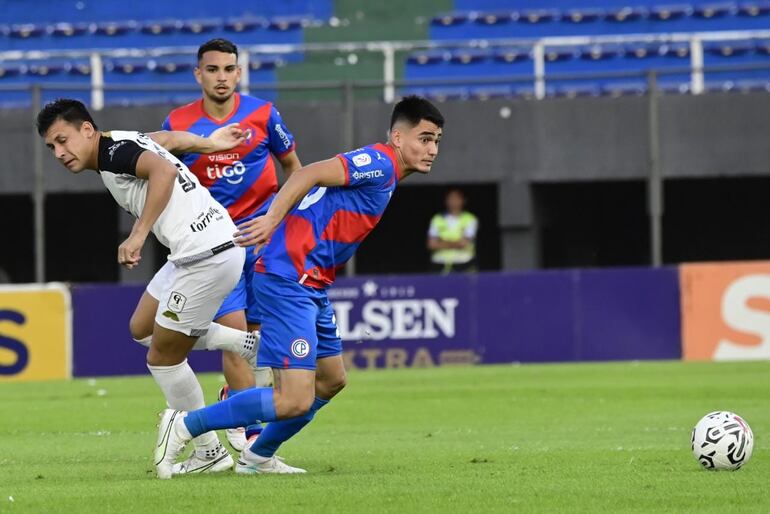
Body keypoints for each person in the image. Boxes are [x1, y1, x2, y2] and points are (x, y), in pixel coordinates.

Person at [154, 95, 445, 478]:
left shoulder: (388, 173)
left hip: (311, 282)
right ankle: (185, 426)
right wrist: (272, 220)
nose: (431, 149)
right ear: (397, 136)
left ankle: (258, 456)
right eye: (424, 138)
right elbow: (306, 174)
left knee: (331, 380)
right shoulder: (380, 162)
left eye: (436, 140)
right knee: (293, 399)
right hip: (288, 276)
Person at [36, 98, 259, 476]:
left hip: (206, 255)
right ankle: (241, 342)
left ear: (87, 130)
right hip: (200, 250)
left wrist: (138, 235)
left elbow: (163, 172)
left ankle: (208, 453)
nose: (59, 152)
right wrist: (213, 144)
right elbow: (167, 139)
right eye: (51, 147)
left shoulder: (113, 153)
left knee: (163, 358)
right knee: (142, 328)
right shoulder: (121, 141)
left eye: (63, 140)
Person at [162, 38, 302, 453]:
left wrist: (278, 220)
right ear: (198, 74)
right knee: (237, 335)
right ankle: (252, 433)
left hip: (262, 241)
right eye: (212, 70)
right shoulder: (179, 122)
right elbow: (166, 178)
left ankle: (233, 399)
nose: (221, 77)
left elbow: (294, 168)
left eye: (228, 69)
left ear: (238, 73)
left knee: (258, 337)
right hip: (214, 246)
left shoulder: (264, 114)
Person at [427, 188, 478, 273]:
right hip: (440, 265)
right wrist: (456, 243)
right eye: (450, 199)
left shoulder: (470, 219)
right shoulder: (437, 219)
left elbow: (464, 243)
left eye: (456, 199)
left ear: (463, 200)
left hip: (464, 265)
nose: (453, 202)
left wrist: (441, 242)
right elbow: (431, 244)